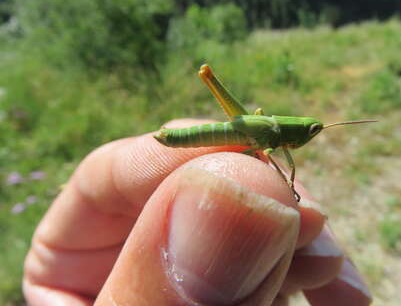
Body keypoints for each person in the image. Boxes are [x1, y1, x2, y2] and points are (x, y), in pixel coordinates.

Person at [23, 119, 372, 305]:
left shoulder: (274, 136)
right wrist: (288, 181)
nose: (311, 136)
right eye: (312, 131)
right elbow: (284, 167)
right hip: (206, 136)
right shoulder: (277, 136)